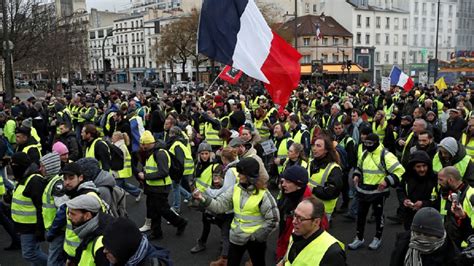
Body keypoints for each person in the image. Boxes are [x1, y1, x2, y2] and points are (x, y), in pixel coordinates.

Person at [193, 157, 279, 266]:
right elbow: (220, 205)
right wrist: (202, 198)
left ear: (249, 175)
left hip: (255, 242)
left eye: (241, 173)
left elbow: (274, 220)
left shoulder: (264, 195)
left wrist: (256, 237)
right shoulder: (235, 189)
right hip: (236, 238)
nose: (238, 176)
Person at [348, 133, 405, 250]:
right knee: (361, 215)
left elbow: (400, 170)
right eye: (365, 143)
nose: (367, 146)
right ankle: (359, 238)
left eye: (370, 144)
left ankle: (377, 238)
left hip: (379, 192)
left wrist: (386, 180)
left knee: (379, 216)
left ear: (377, 143)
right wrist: (356, 175)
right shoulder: (364, 154)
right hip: (364, 190)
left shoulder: (386, 155)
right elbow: (359, 167)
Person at [137, 130, 187, 240]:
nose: (142, 146)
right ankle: (157, 232)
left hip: (160, 187)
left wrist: (145, 176)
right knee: (153, 210)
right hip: (153, 187)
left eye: (143, 144)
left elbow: (163, 172)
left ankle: (180, 223)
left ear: (149, 143)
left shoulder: (160, 153)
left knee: (163, 210)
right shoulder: (152, 152)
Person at [277, 197, 346, 266]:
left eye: (300, 218)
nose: (294, 221)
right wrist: (283, 262)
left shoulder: (332, 253)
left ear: (316, 222)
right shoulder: (296, 232)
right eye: (294, 215)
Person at [10, 152, 48, 265]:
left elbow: (41, 207)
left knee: (29, 253)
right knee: (35, 251)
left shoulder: (34, 180)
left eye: (14, 165)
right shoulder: (23, 177)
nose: (12, 167)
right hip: (24, 226)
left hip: (30, 226)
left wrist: (40, 230)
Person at [390, 207, 460, 266]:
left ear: (439, 235)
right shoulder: (403, 246)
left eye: (428, 235)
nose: (421, 239)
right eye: (418, 233)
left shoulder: (452, 257)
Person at [276, 165, 315, 261]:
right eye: (283, 180)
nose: (283, 184)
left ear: (299, 185)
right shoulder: (289, 195)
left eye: (288, 182)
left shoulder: (309, 209)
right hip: (284, 248)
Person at [65, 194, 113, 266]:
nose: (69, 217)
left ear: (87, 215)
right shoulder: (89, 230)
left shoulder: (102, 243)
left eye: (72, 214)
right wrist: (73, 260)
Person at [102, 217, 173, 266]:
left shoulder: (153, 263)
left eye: (109, 248)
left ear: (124, 248)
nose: (104, 251)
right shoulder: (127, 257)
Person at [396, 151, 438, 230]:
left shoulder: (435, 178)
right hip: (410, 217)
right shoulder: (407, 177)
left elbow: (440, 200)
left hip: (430, 217)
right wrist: (404, 200)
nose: (422, 169)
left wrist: (423, 203)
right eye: (418, 166)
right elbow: (400, 190)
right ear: (413, 167)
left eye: (424, 166)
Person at [40, 152, 68, 266]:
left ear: (50, 167)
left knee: (53, 262)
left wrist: (53, 231)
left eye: (42, 166)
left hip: (58, 231)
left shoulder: (57, 185)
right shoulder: (53, 181)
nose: (40, 169)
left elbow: (63, 210)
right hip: (57, 230)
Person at [308, 136, 344, 221]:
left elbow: (331, 193)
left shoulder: (334, 169)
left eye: (318, 146)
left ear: (326, 150)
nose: (314, 148)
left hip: (322, 211)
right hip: (307, 207)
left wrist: (313, 189)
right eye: (314, 145)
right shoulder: (310, 163)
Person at [438, 166, 474, 248]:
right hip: (450, 243)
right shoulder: (447, 193)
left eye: (441, 180)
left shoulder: (471, 195)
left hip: (466, 246)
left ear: (450, 180)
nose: (438, 182)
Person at [111, 131, 142, 201]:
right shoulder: (117, 145)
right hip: (119, 171)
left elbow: (119, 160)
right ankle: (137, 192)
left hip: (120, 171)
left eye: (113, 136)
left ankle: (118, 202)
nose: (112, 137)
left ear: (118, 138)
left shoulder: (122, 147)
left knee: (117, 188)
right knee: (124, 185)